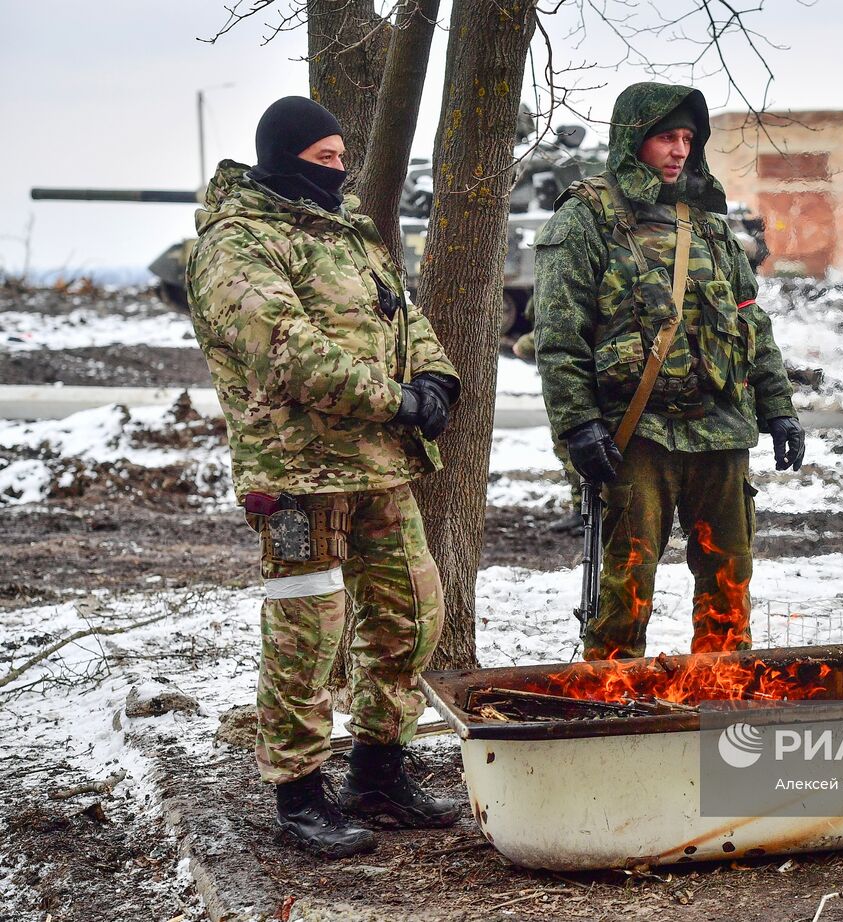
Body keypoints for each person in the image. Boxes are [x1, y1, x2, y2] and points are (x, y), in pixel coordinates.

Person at [186, 96, 462, 859]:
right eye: (324, 161)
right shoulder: (236, 243)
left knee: (413, 612)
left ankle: (379, 770)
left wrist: (436, 377)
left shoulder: (349, 237)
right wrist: (397, 400)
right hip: (297, 473)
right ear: (283, 157)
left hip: (377, 466)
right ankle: (299, 793)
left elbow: (403, 317)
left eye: (343, 160)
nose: (337, 174)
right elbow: (284, 350)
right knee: (307, 635)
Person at [534, 82, 805, 661]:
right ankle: (612, 704)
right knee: (625, 593)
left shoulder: (705, 224)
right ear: (634, 139)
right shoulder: (585, 219)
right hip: (637, 436)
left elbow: (751, 322)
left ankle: (721, 700)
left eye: (687, 137)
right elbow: (560, 340)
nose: (679, 149)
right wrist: (579, 426)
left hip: (721, 431)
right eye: (666, 136)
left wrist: (777, 407)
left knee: (728, 586)